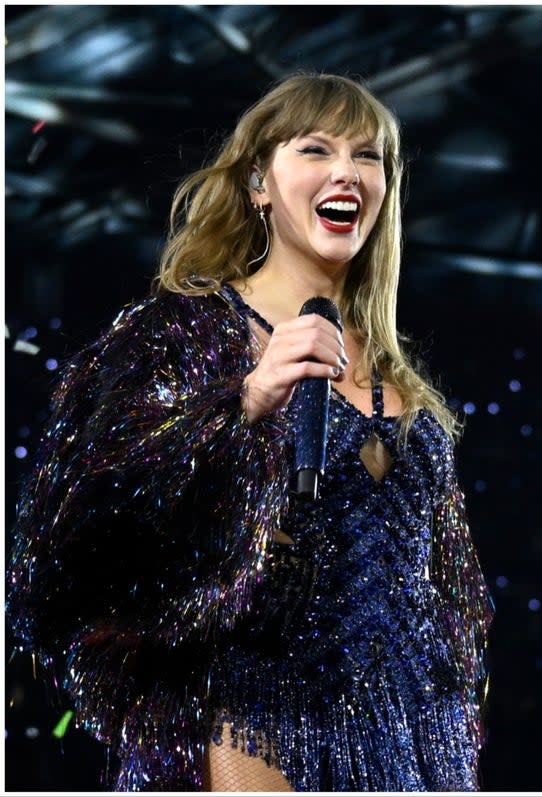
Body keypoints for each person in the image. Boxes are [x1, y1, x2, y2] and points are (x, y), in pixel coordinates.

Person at [7, 73, 492, 791]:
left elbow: (451, 592)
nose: (346, 172)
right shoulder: (180, 333)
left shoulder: (402, 374)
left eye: (368, 156)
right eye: (317, 149)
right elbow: (81, 517)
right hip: (245, 708)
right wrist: (242, 403)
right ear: (260, 183)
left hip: (406, 732)